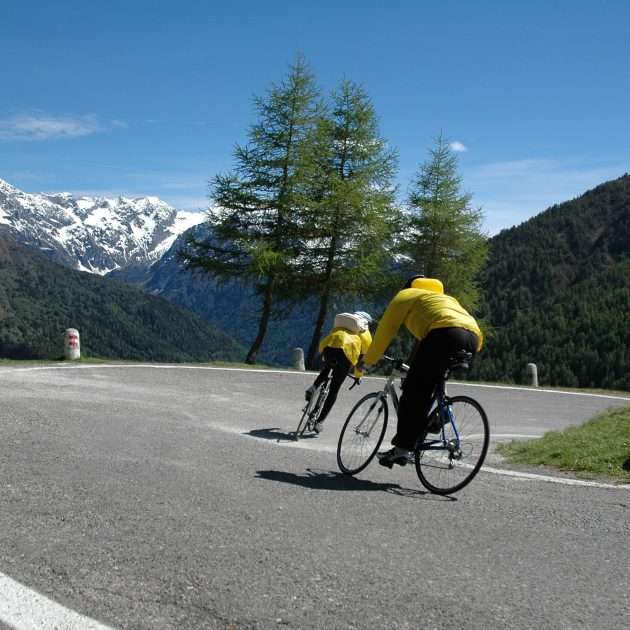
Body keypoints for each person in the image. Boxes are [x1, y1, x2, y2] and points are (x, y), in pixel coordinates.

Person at [357, 276, 483, 468]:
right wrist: (411, 366)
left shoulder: (407, 295)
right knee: (431, 379)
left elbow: (386, 330)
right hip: (473, 338)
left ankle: (402, 449)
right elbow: (421, 342)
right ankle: (441, 413)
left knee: (414, 392)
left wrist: (367, 361)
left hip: (443, 334)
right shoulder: (444, 300)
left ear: (408, 287)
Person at [305, 311, 373, 434]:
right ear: (367, 322)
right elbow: (361, 361)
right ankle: (319, 421)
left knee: (327, 368)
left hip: (329, 347)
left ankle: (314, 387)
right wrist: (358, 377)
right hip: (345, 354)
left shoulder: (344, 322)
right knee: (334, 389)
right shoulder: (366, 333)